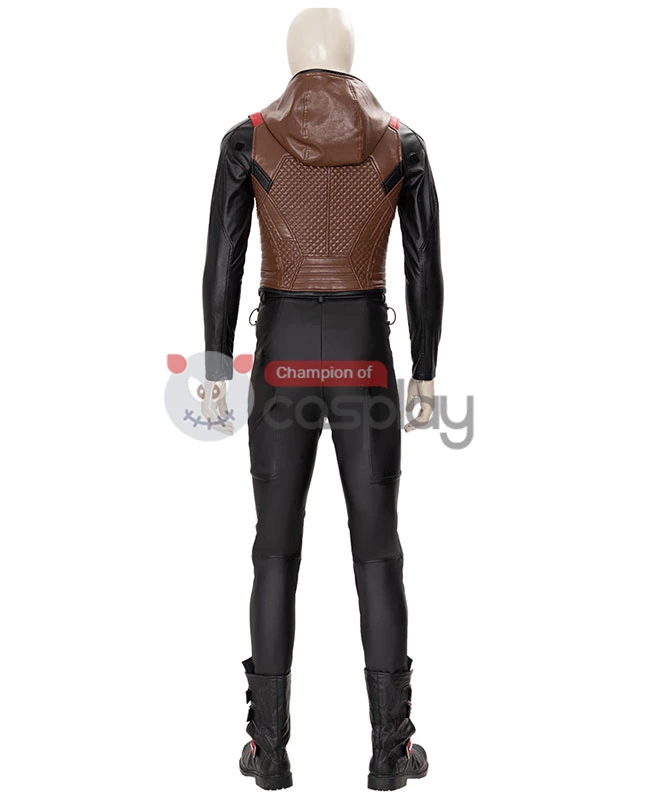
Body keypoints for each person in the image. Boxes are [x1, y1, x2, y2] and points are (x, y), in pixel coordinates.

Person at [200, 12, 443, 791]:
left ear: (295, 59)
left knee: (274, 550)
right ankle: (390, 754)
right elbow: (423, 266)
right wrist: (426, 371)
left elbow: (225, 258)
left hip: (282, 359)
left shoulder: (248, 140)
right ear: (348, 58)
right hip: (364, 353)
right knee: (378, 551)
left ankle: (267, 752)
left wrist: (215, 362)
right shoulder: (402, 143)